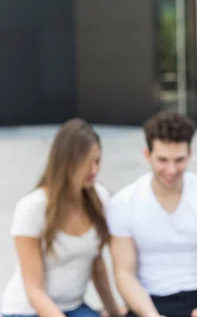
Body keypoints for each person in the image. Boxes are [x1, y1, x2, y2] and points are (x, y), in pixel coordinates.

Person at [106, 110, 197, 317]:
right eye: (162, 160)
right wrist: (150, 314)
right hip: (150, 299)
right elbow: (124, 272)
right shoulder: (123, 203)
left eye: (179, 160)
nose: (171, 169)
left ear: (190, 154)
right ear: (147, 155)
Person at [1, 118, 124, 317]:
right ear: (67, 162)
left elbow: (97, 265)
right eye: (87, 163)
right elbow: (34, 290)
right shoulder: (33, 207)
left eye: (97, 161)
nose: (94, 170)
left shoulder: (99, 197)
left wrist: (115, 313)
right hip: (28, 310)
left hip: (73, 307)